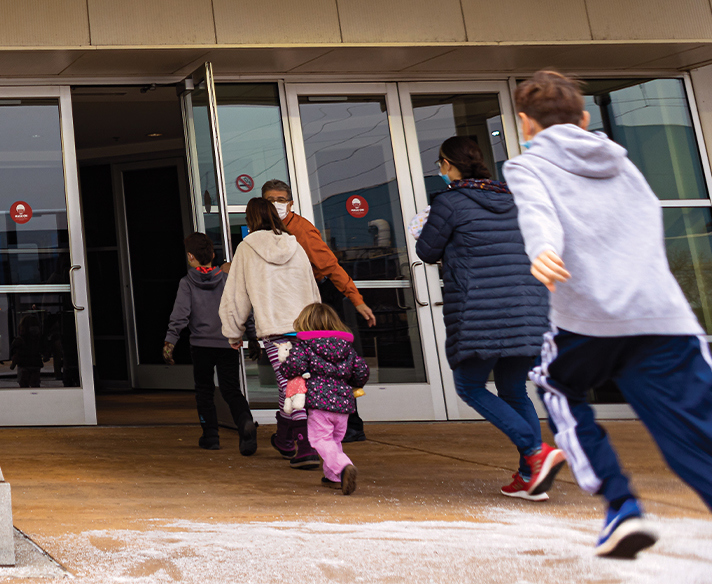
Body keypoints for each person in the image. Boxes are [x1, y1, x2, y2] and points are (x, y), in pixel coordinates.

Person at [510, 69, 712, 559]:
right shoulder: (626, 164)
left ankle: (621, 506)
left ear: (524, 123)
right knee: (696, 431)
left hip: (591, 320)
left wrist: (542, 251)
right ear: (584, 117)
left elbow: (537, 214)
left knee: (557, 384)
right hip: (663, 317)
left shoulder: (527, 166)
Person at [413, 134, 563, 500]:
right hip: (528, 309)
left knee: (470, 386)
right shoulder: (513, 199)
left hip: (481, 309)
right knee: (513, 389)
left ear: (449, 165)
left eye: (440, 163)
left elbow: (427, 250)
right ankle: (531, 476)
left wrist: (425, 225)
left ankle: (535, 451)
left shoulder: (449, 202)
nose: (440, 169)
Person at [220, 196, 321, 468]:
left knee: (292, 385)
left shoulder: (247, 248)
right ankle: (285, 439)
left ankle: (305, 445)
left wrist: (233, 332)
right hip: (306, 329)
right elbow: (312, 288)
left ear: (251, 219)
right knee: (292, 383)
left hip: (277, 331)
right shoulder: (295, 245)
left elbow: (235, 296)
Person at [163, 231, 257, 454]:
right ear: (213, 255)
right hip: (228, 342)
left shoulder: (187, 283)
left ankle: (210, 436)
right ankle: (244, 421)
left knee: (204, 391)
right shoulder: (227, 279)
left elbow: (180, 315)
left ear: (190, 257)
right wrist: (252, 336)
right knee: (231, 389)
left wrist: (170, 342)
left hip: (201, 345)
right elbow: (244, 308)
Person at [279, 301, 373, 494]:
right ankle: (333, 477)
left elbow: (293, 367)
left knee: (319, 440)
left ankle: (343, 466)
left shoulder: (305, 345)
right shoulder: (346, 347)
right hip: (344, 405)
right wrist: (355, 383)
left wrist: (285, 367)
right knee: (334, 441)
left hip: (319, 404)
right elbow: (362, 370)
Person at [261, 179, 378, 329]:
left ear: (290, 204)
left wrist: (357, 301)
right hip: (284, 298)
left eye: (281, 200)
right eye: (270, 200)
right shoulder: (263, 228)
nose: (276, 204)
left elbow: (330, 266)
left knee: (326, 345)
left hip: (317, 295)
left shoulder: (302, 230)